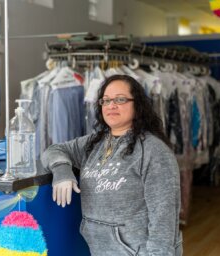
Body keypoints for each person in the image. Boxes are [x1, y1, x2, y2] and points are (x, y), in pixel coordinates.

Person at [41, 74, 182, 256]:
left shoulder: (154, 151)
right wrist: (62, 170)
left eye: (120, 99)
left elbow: (163, 220)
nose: (111, 106)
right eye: (106, 100)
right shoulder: (94, 143)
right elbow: (53, 150)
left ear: (137, 105)